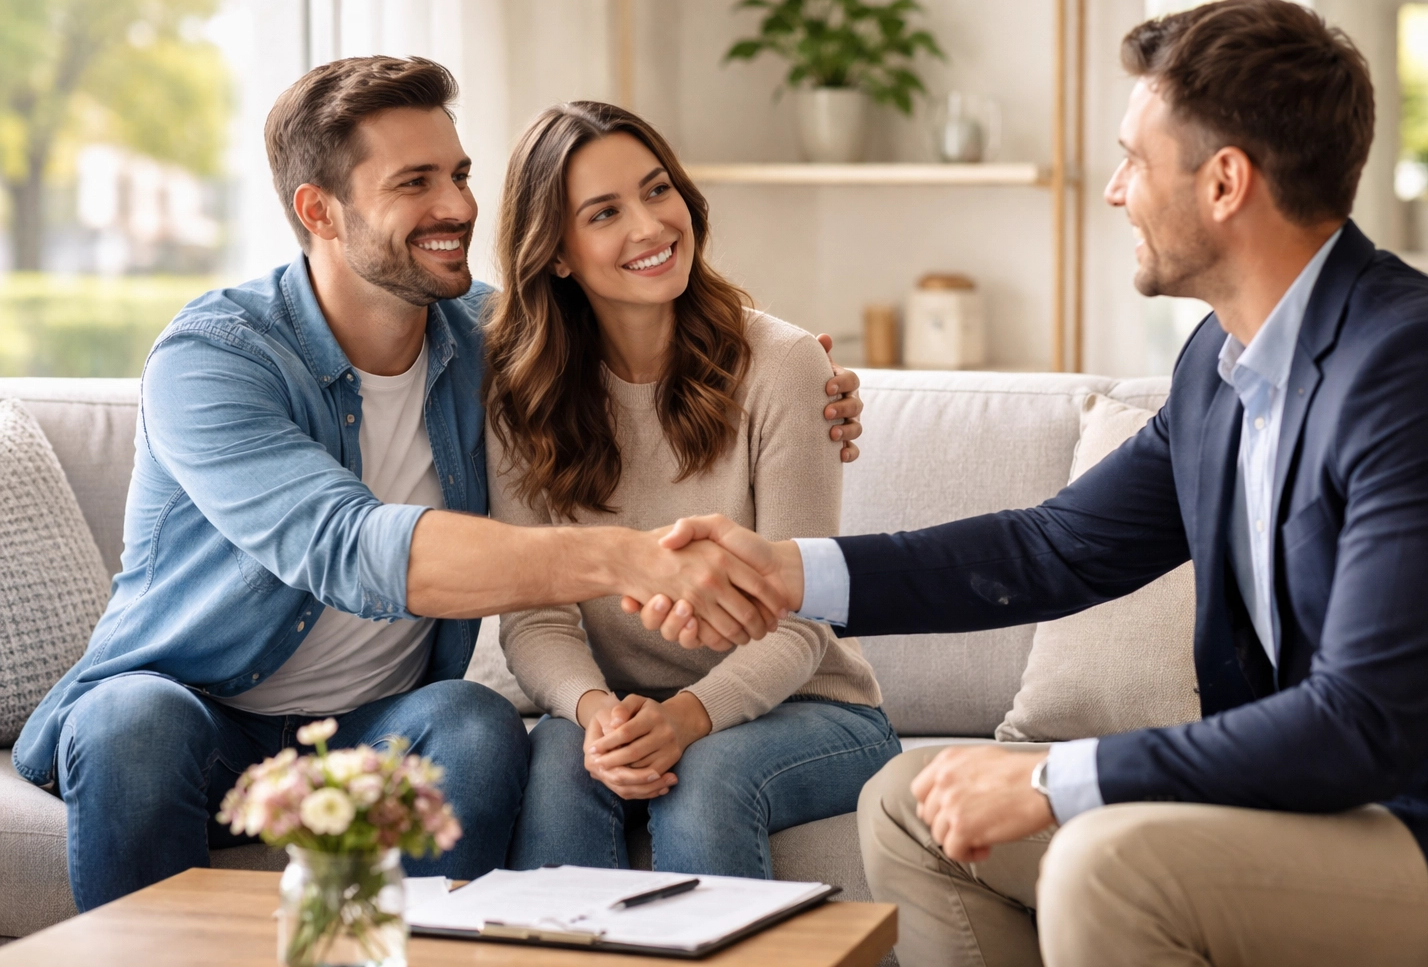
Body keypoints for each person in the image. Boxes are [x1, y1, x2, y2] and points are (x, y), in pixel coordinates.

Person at [636, 0, 1428, 967]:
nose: (1114, 190)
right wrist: (786, 572)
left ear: (1226, 182)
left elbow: (1361, 723)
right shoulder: (1222, 369)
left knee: (1107, 860)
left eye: (1135, 160)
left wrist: (1060, 777)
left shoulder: (1422, 370)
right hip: (1320, 808)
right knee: (911, 802)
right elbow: (1052, 546)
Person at [14, 57, 861, 911]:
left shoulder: (494, 343)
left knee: (474, 721)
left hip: (377, 729)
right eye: (415, 183)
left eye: (457, 174)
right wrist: (628, 560)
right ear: (319, 210)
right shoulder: (215, 359)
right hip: (194, 720)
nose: (457, 206)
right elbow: (348, 547)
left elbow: (635, 342)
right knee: (135, 723)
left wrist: (806, 385)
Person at [481, 101, 900, 878]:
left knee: (707, 780)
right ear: (558, 253)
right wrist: (598, 716)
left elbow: (802, 617)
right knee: (557, 768)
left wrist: (686, 718)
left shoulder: (785, 365)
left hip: (813, 708)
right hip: (619, 706)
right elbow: (534, 612)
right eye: (605, 212)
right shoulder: (518, 393)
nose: (649, 226)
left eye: (657, 189)